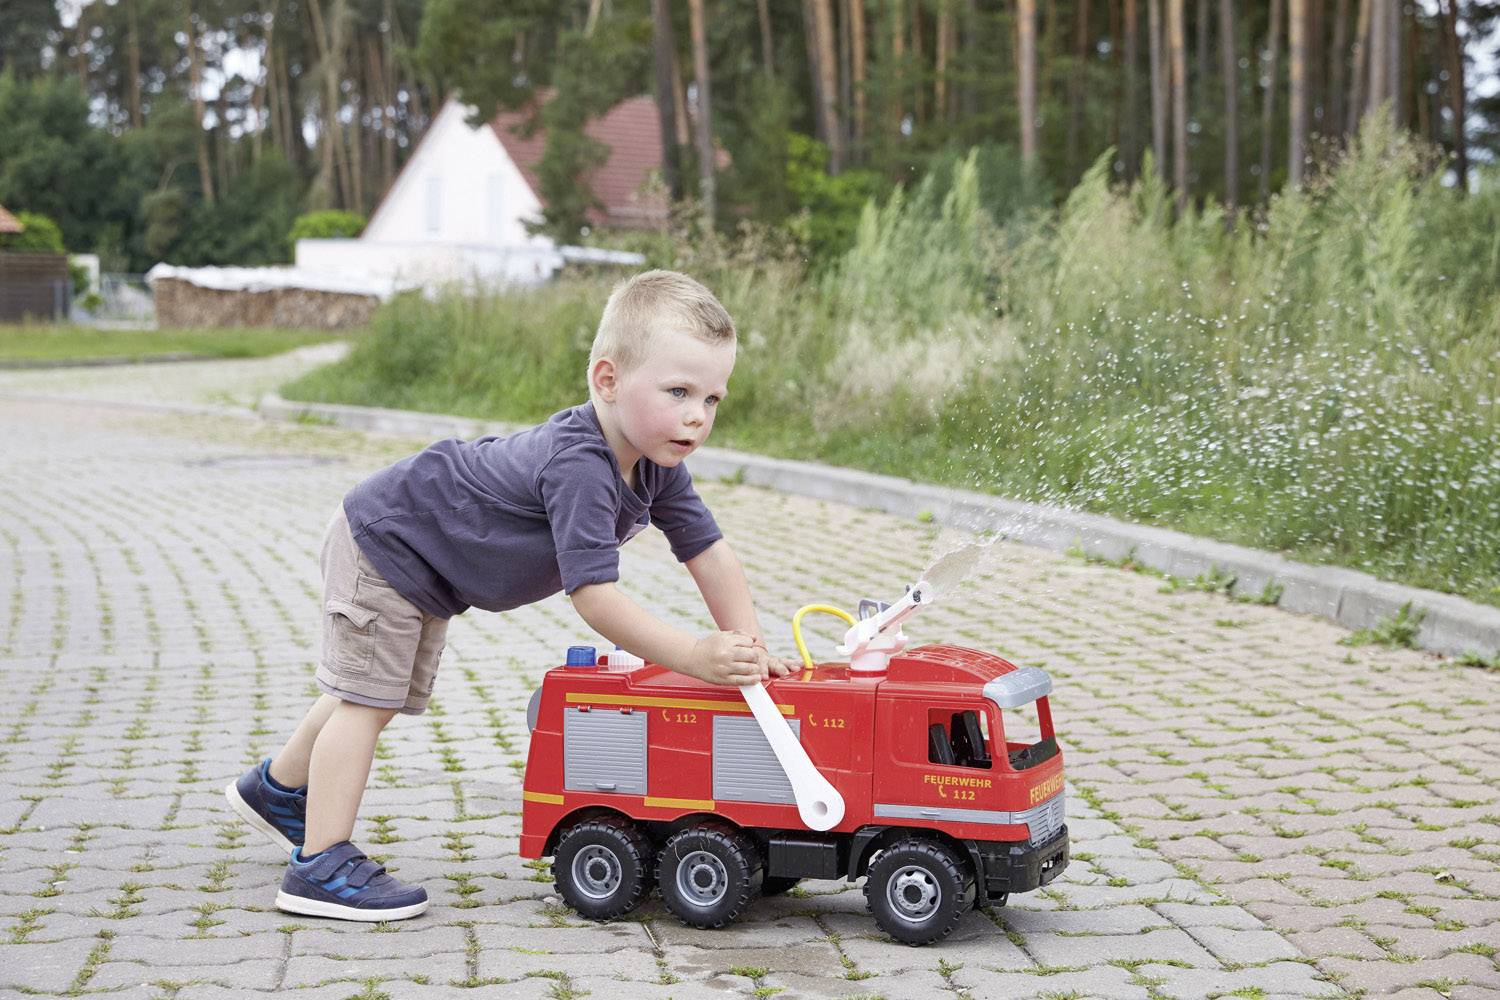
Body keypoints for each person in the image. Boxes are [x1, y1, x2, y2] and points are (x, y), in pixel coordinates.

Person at [225, 270, 793, 921]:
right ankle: (319, 864)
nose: (698, 414)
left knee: (370, 690)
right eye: (679, 391)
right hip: (388, 540)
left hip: (427, 566)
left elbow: (707, 551)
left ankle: (278, 790)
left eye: (713, 398)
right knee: (367, 700)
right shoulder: (582, 465)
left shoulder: (658, 466)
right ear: (607, 381)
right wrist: (694, 654)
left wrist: (748, 645)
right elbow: (596, 598)